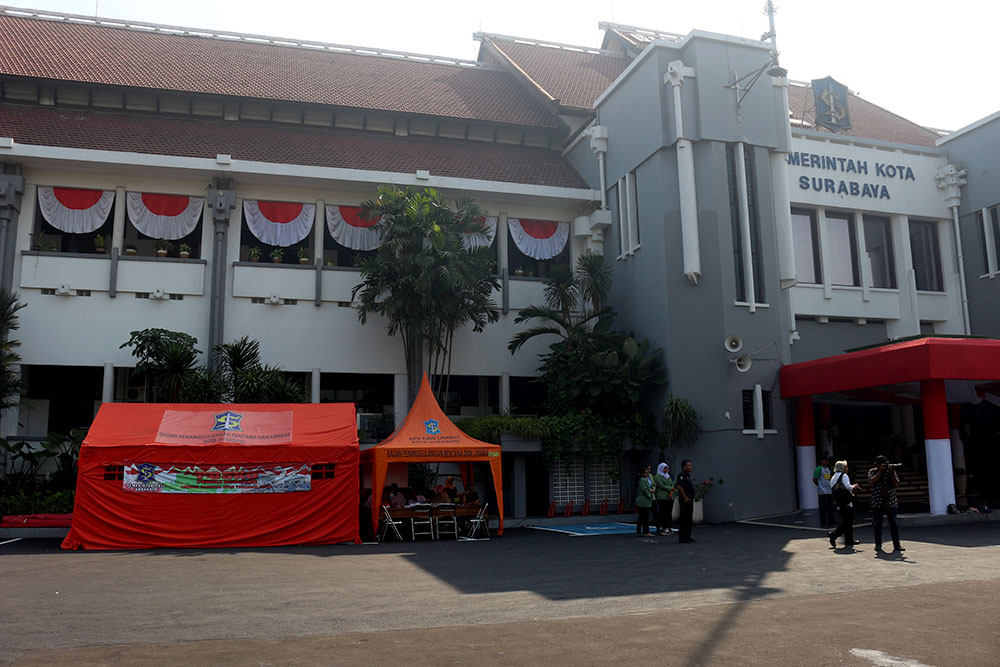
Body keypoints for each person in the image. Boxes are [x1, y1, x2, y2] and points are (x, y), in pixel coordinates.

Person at [868, 454, 904, 552]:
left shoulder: (891, 472)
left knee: (894, 524)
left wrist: (891, 472)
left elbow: (896, 484)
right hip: (878, 502)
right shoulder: (873, 471)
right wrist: (880, 472)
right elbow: (871, 482)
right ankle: (878, 544)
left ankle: (897, 544)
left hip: (891, 501)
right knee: (877, 524)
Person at [828, 460, 861, 548]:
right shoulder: (844, 476)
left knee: (846, 521)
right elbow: (848, 487)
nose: (847, 468)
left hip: (839, 502)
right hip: (846, 502)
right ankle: (834, 534)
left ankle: (849, 540)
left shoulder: (833, 477)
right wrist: (854, 486)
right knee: (848, 522)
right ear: (843, 468)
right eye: (846, 467)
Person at [676, 459, 696, 543]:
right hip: (685, 500)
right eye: (689, 465)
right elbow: (679, 487)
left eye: (691, 465)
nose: (691, 467)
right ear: (684, 466)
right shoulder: (682, 475)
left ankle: (688, 535)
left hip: (690, 499)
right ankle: (682, 537)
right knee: (684, 518)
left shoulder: (687, 475)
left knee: (689, 518)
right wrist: (684, 497)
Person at [653, 462, 675, 535]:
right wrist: (670, 489)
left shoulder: (668, 476)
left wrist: (671, 491)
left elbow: (672, 484)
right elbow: (661, 485)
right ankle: (663, 528)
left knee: (669, 513)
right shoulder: (657, 476)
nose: (666, 469)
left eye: (667, 468)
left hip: (669, 497)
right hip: (662, 497)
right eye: (665, 468)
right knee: (663, 513)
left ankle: (668, 527)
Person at [813, 456, 834, 527]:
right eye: (825, 460)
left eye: (827, 461)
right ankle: (823, 522)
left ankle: (831, 520)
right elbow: (815, 479)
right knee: (823, 507)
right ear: (821, 461)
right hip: (822, 491)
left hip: (829, 490)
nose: (826, 462)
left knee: (830, 507)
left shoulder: (827, 468)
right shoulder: (818, 469)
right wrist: (819, 485)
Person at [635, 465, 654, 537]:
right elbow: (645, 490)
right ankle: (646, 531)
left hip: (641, 500)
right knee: (645, 517)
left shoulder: (640, 480)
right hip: (644, 501)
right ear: (642, 473)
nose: (647, 474)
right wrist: (650, 492)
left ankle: (639, 531)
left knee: (641, 517)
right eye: (646, 472)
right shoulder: (643, 480)